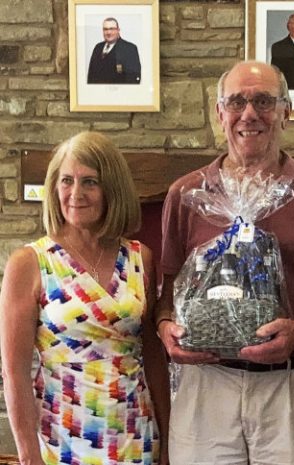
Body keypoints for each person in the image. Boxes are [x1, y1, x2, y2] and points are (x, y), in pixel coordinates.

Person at [154, 61, 294, 464]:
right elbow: (168, 294)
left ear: (286, 112)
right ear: (219, 113)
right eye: (236, 102)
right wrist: (165, 329)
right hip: (206, 386)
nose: (249, 114)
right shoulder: (187, 195)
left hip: (291, 386)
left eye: (263, 101)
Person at [0, 131, 170, 465]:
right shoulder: (30, 262)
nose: (75, 194)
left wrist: (168, 438)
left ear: (112, 189)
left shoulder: (141, 258)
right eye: (66, 181)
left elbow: (153, 359)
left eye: (90, 182)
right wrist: (28, 456)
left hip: (135, 436)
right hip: (61, 440)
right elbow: (14, 371)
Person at [87, 17, 141, 84]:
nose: (108, 32)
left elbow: (133, 78)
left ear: (118, 30)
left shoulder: (129, 49)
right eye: (105, 29)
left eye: (112, 29)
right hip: (98, 92)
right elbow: (91, 75)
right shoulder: (97, 48)